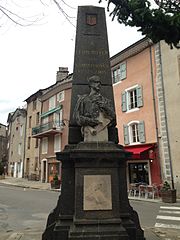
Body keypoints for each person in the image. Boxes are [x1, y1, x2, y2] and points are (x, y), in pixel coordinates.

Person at [73, 75, 115, 142]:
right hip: (89, 131)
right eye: (96, 82)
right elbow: (77, 117)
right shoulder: (83, 100)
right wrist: (92, 121)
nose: (99, 84)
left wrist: (105, 107)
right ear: (90, 84)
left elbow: (113, 117)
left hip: (102, 130)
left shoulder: (105, 101)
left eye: (99, 82)